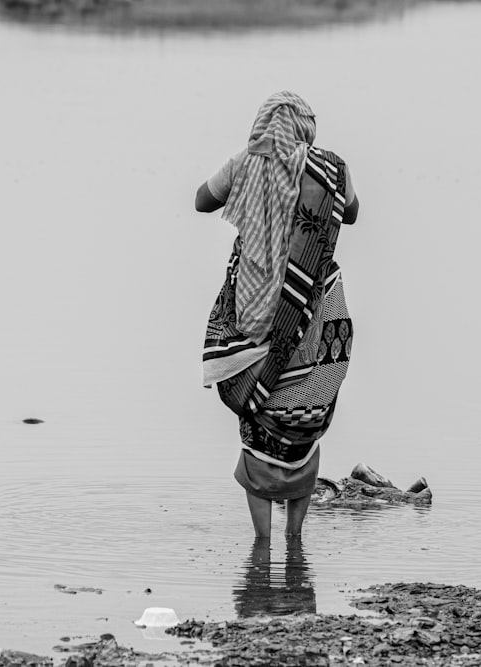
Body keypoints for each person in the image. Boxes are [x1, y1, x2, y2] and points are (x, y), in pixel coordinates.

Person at [195, 91, 359, 538]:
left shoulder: (245, 164)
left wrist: (251, 179)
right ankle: (294, 542)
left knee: (260, 416)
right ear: (306, 127)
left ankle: (262, 545)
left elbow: (200, 201)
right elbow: (354, 213)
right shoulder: (332, 169)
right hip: (316, 316)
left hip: (256, 317)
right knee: (304, 415)